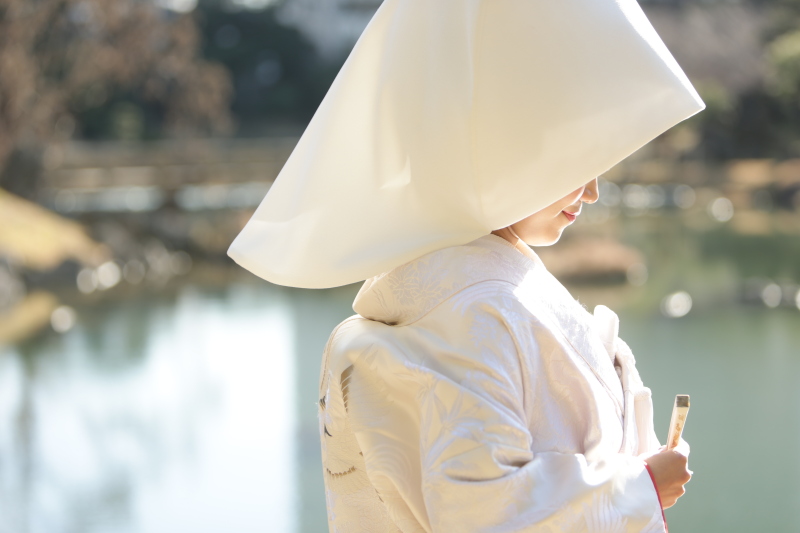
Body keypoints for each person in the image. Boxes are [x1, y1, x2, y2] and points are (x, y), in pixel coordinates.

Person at [227, 0, 705, 530]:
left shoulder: (462, 287)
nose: (592, 190)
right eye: (575, 163)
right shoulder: (478, 309)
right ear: (506, 154)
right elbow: (483, 512)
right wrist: (639, 487)